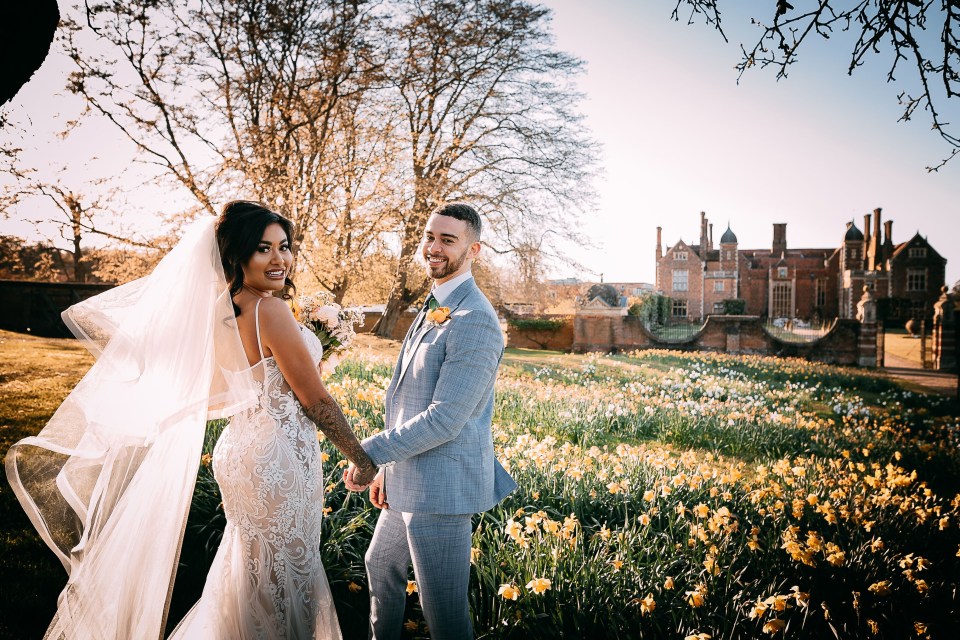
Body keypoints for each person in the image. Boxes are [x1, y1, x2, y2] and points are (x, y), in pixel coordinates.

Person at [5, 201, 377, 639]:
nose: (279, 259)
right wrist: (363, 458)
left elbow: (233, 386)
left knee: (248, 572)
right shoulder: (269, 311)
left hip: (241, 451)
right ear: (237, 254)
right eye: (264, 249)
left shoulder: (219, 309)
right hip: (278, 458)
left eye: (285, 247)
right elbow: (315, 400)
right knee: (285, 577)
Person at [344, 202, 517, 640]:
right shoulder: (434, 304)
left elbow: (444, 420)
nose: (433, 247)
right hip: (407, 475)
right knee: (379, 563)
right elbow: (406, 399)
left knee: (442, 610)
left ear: (473, 250)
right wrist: (387, 467)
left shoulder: (475, 320)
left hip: (442, 487)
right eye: (429, 236)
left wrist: (369, 453)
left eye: (447, 239)